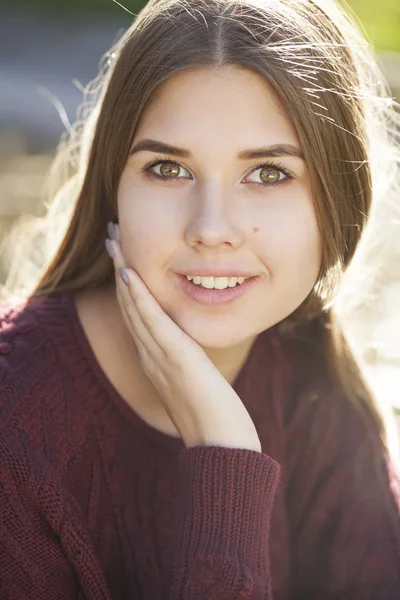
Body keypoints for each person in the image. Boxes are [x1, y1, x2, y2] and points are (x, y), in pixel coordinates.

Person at [1, 0, 400, 597]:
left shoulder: (314, 380)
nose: (211, 228)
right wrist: (226, 461)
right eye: (167, 169)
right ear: (114, 189)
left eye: (267, 173)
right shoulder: (16, 425)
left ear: (339, 199)